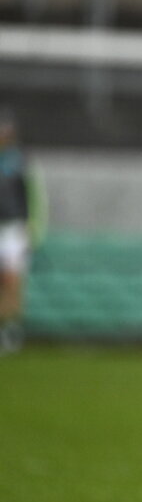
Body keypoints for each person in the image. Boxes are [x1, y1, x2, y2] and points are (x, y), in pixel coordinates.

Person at [0, 110, 39, 355]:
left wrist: (30, 228)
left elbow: (32, 197)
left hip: (13, 228)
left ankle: (10, 330)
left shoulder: (19, 162)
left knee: (14, 282)